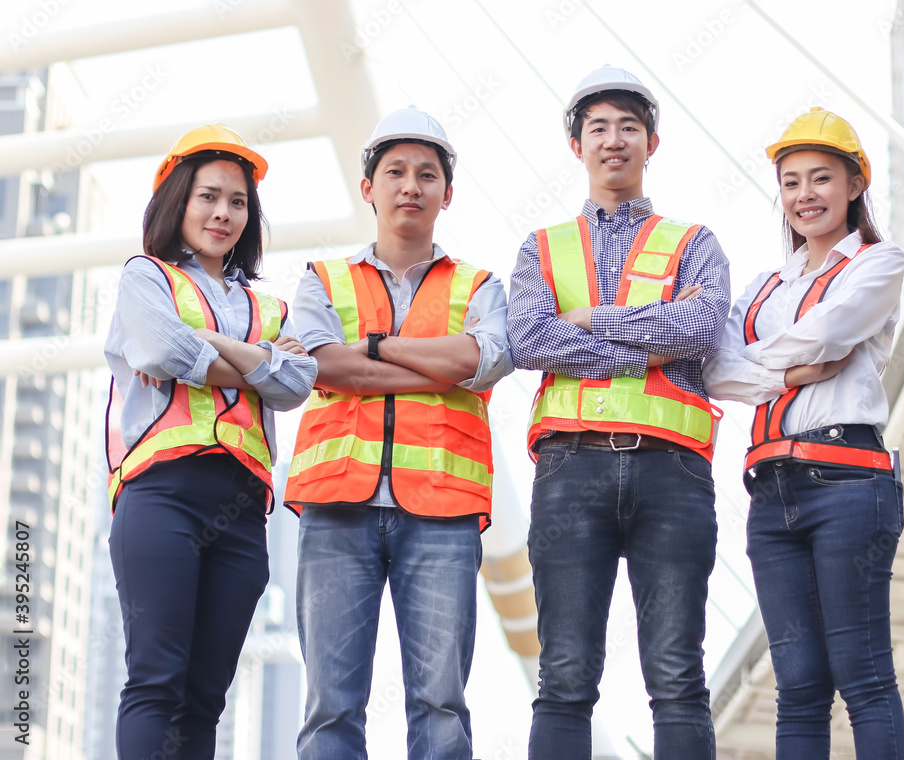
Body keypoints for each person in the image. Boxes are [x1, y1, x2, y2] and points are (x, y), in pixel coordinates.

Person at [507, 65, 729, 760]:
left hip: (673, 471)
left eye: (628, 127)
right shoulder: (539, 248)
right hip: (572, 469)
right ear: (576, 145)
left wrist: (592, 322)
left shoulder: (696, 243)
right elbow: (531, 339)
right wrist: (644, 342)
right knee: (565, 676)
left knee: (677, 675)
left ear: (651, 142)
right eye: (598, 128)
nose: (613, 140)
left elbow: (701, 329)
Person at [285, 106, 512, 760]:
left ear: (447, 192)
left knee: (441, 707)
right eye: (395, 172)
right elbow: (323, 365)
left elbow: (483, 362)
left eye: (426, 174)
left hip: (441, 512)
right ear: (369, 188)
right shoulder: (320, 280)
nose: (410, 185)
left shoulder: (480, 285)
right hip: (337, 507)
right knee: (330, 707)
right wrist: (439, 367)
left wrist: (375, 348)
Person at [105, 124, 317, 759]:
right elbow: (163, 347)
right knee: (156, 681)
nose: (224, 213)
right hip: (162, 493)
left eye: (238, 201)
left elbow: (299, 381)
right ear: (178, 200)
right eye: (209, 196)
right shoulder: (146, 278)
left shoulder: (270, 305)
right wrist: (258, 360)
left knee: (206, 697)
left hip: (242, 512)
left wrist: (213, 348)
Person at [703, 107, 904, 759]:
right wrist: (796, 372)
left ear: (854, 186)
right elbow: (713, 368)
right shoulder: (764, 285)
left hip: (848, 481)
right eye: (791, 182)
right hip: (770, 495)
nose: (805, 195)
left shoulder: (879, 263)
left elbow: (828, 331)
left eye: (821, 178)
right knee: (798, 689)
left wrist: (763, 362)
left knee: (864, 677)